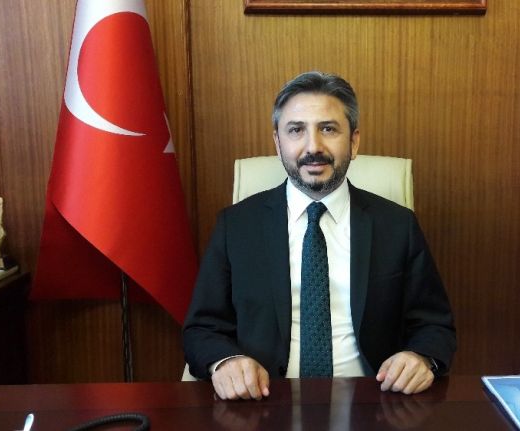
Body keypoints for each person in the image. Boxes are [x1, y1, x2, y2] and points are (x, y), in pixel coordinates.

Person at [183, 71, 456, 401]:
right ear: (278, 143)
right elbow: (201, 329)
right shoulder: (236, 226)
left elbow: (435, 325)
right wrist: (226, 362)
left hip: (375, 402)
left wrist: (421, 357)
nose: (313, 147)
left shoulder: (397, 226)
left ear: (354, 142)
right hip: (264, 402)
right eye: (296, 130)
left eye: (328, 129)